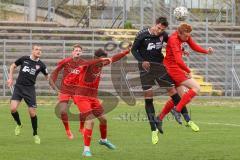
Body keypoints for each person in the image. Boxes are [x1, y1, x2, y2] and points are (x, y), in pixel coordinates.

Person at [131, 17, 194, 144]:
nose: (160, 31)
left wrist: (182, 50)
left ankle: (188, 119)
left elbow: (172, 44)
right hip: (145, 69)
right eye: (159, 28)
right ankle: (153, 130)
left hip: (160, 67)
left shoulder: (163, 35)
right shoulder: (142, 34)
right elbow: (134, 50)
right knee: (149, 97)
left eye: (162, 29)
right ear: (155, 24)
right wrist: (142, 61)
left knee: (173, 91)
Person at [64, 48, 130, 157]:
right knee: (90, 121)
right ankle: (86, 150)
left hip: (93, 97)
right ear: (96, 58)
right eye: (101, 59)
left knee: (103, 119)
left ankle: (103, 140)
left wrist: (126, 51)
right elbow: (78, 69)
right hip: (82, 97)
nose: (103, 62)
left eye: (104, 60)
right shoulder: (88, 65)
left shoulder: (101, 64)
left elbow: (113, 58)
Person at [162, 23, 214, 129]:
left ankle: (159, 117)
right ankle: (177, 110)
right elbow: (178, 60)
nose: (187, 38)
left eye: (188, 36)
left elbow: (193, 45)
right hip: (172, 68)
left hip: (174, 67)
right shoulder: (173, 39)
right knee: (196, 87)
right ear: (179, 33)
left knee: (180, 97)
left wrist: (206, 51)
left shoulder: (184, 36)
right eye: (185, 36)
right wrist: (188, 70)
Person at [7, 45, 49, 144]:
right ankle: (19, 124)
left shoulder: (41, 65)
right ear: (32, 51)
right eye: (37, 49)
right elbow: (12, 66)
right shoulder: (24, 59)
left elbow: (47, 76)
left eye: (40, 50)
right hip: (19, 87)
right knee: (13, 109)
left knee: (32, 113)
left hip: (29, 89)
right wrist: (10, 78)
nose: (39, 51)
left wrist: (52, 81)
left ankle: (35, 134)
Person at [50, 44, 86, 139]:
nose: (77, 51)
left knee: (84, 110)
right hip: (65, 90)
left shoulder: (84, 63)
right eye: (76, 50)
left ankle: (81, 128)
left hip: (77, 90)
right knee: (63, 111)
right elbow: (56, 71)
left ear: (81, 53)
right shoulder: (66, 61)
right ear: (72, 52)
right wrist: (53, 82)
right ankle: (68, 131)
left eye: (79, 50)